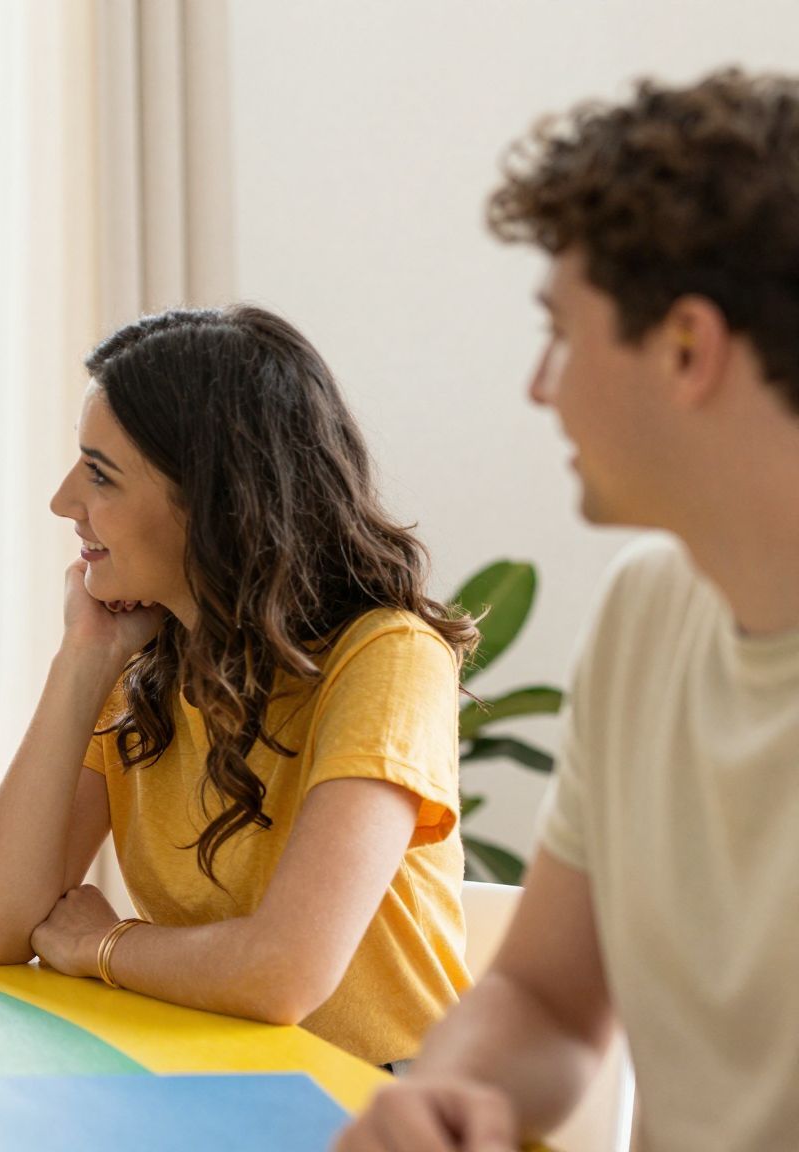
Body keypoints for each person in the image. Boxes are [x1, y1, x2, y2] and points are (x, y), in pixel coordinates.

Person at [340, 69, 799, 1152]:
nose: (539, 387)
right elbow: (546, 999)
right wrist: (448, 1094)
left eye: (562, 333)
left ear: (685, 349)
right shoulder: (646, 614)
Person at [0, 304, 475, 1069]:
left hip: (384, 1099)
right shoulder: (142, 663)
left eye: (100, 474)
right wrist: (82, 660)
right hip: (216, 1080)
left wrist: (105, 944)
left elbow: (283, 974)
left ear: (214, 503)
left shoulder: (389, 659)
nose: (64, 501)